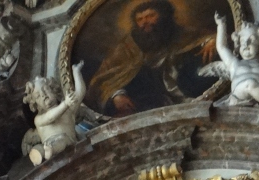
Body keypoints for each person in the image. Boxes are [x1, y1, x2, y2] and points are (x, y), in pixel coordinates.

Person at [85, 0, 217, 116]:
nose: (145, 22)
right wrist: (116, 95)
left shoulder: (180, 33)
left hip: (192, 94)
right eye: (140, 19)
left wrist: (212, 41)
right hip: (149, 102)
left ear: (163, 16)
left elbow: (206, 37)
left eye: (150, 16)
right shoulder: (128, 47)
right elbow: (105, 77)